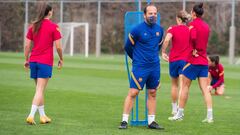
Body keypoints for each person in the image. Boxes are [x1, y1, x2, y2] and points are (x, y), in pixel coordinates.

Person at [119, 4, 164, 129]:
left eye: (155, 13)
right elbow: (128, 47)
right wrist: (137, 59)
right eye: (150, 13)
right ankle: (124, 121)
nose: (153, 16)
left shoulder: (160, 30)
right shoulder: (136, 30)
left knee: (153, 92)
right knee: (133, 92)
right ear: (144, 15)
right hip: (140, 67)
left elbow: (158, 47)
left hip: (154, 66)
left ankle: (151, 122)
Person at [169, 3, 214, 123]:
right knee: (205, 89)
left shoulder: (192, 25)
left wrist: (193, 48)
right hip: (204, 60)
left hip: (193, 61)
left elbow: (193, 37)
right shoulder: (206, 26)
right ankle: (210, 116)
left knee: (184, 87)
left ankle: (179, 114)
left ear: (194, 13)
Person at [24, 3, 63, 125]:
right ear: (50, 12)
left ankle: (43, 116)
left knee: (38, 90)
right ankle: (31, 116)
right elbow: (58, 47)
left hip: (33, 61)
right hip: (45, 62)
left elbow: (27, 46)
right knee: (40, 90)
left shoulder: (33, 26)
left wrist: (26, 59)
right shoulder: (54, 27)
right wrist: (61, 58)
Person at [161, 10, 191, 116]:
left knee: (174, 85)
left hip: (173, 60)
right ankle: (179, 110)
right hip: (185, 60)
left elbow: (166, 40)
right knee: (183, 86)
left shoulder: (172, 29)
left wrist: (163, 52)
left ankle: (174, 109)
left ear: (178, 19)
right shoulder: (189, 30)